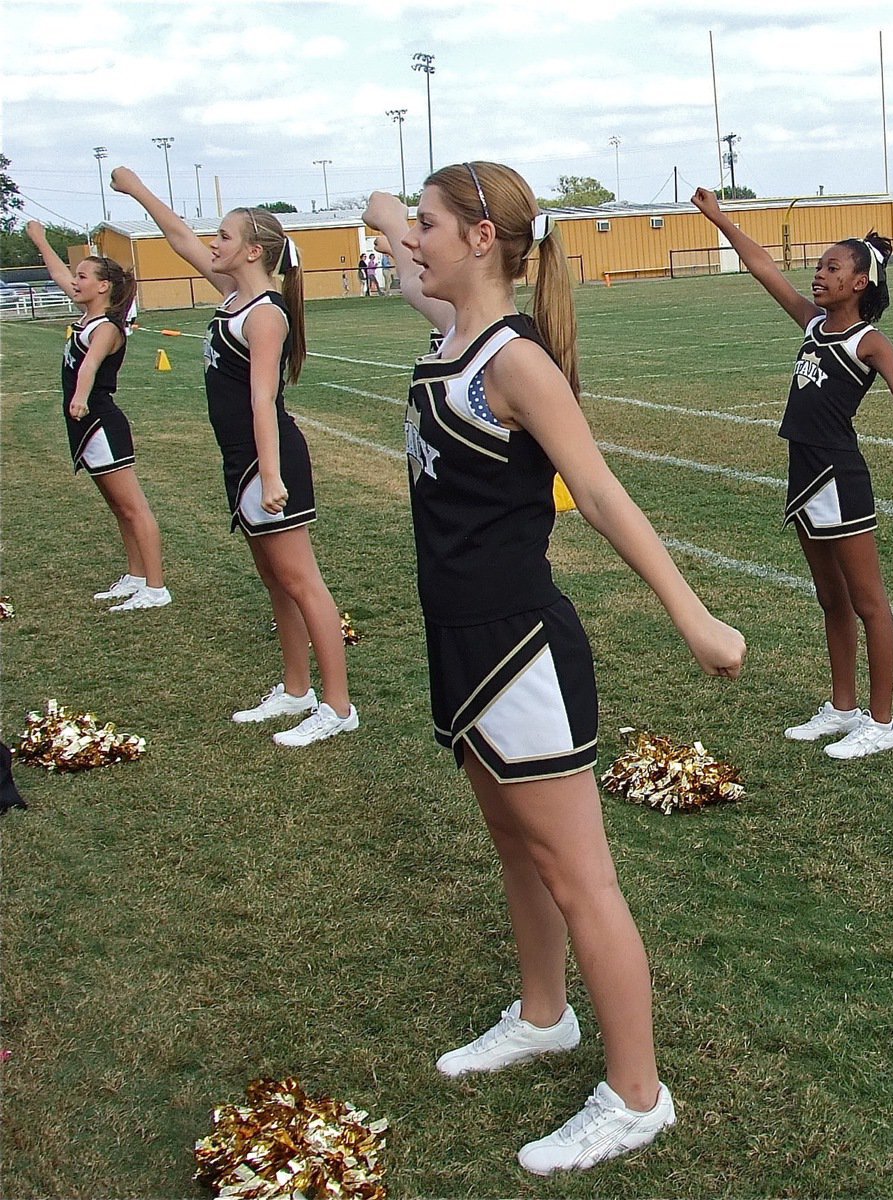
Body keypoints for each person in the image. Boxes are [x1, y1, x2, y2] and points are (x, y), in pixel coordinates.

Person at [363, 165, 745, 1175]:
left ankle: (637, 1095)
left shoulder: (512, 362)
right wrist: (396, 213)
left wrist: (694, 617)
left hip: (520, 655)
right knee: (515, 848)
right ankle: (544, 1015)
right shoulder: (450, 330)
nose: (412, 243)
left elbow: (603, 495)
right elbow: (394, 230)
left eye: (432, 226)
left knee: (582, 880)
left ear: (481, 238)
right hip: (459, 643)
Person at [692, 187, 893, 759]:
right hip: (803, 471)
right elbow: (763, 267)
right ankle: (843, 709)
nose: (819, 275)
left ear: (860, 282)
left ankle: (882, 723)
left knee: (870, 603)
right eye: (819, 267)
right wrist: (720, 217)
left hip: (839, 477)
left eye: (832, 268)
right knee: (831, 598)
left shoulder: (867, 341)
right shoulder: (813, 322)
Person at [109, 169, 357, 746]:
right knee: (275, 580)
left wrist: (269, 476)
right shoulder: (233, 296)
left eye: (223, 236)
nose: (212, 243)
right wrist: (138, 190)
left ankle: (339, 707)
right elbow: (179, 238)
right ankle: (297, 690)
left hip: (268, 462)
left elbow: (263, 400)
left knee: (302, 581)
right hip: (243, 461)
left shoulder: (264, 314)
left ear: (253, 251)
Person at [25, 220, 170, 612]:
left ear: (103, 286)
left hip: (101, 422)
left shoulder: (106, 328)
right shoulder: (88, 318)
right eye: (76, 276)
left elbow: (89, 366)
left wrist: (79, 397)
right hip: (87, 424)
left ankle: (156, 588)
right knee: (119, 508)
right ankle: (136, 577)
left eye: (83, 277)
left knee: (134, 507)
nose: (74, 282)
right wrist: (40, 240)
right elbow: (59, 274)